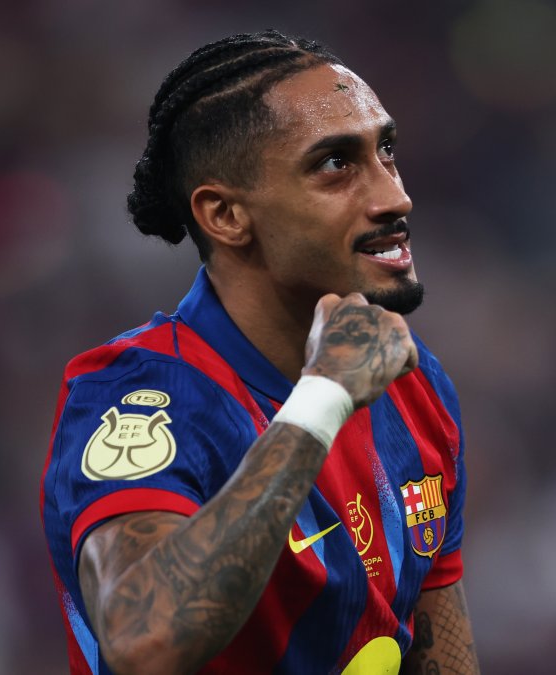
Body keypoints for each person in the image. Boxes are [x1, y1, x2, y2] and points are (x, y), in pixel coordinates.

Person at [40, 29, 478, 674]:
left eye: (386, 152)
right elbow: (143, 642)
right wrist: (324, 395)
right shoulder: (142, 395)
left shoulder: (414, 388)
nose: (394, 196)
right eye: (336, 165)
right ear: (225, 215)